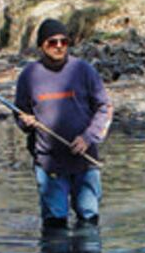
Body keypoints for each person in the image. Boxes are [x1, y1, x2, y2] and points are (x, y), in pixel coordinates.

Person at [15, 18, 113, 229]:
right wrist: (26, 122)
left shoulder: (83, 70)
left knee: (89, 219)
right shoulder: (28, 75)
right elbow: (20, 115)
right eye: (52, 42)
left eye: (63, 41)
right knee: (55, 222)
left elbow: (104, 108)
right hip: (49, 163)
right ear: (42, 45)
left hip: (85, 161)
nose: (59, 46)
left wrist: (88, 137)